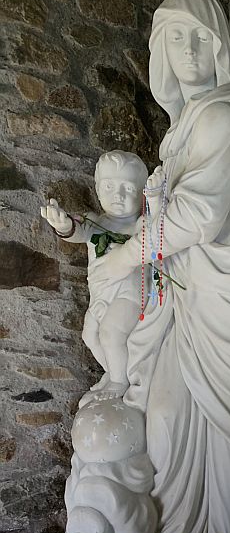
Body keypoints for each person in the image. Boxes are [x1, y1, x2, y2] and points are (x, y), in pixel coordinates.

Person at [87, 0, 230, 533]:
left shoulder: (225, 119)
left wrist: (118, 259)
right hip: (191, 300)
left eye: (197, 37)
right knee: (161, 419)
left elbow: (197, 214)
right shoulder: (180, 134)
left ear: (217, 48)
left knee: (226, 436)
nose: (186, 50)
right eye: (172, 38)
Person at [41, 151, 149, 399]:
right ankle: (113, 372)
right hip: (101, 293)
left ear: (142, 193)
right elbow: (76, 231)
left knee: (111, 332)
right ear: (98, 190)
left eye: (128, 188)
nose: (118, 196)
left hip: (129, 293)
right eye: (109, 187)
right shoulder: (94, 222)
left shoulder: (141, 225)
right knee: (90, 335)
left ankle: (120, 382)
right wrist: (63, 224)